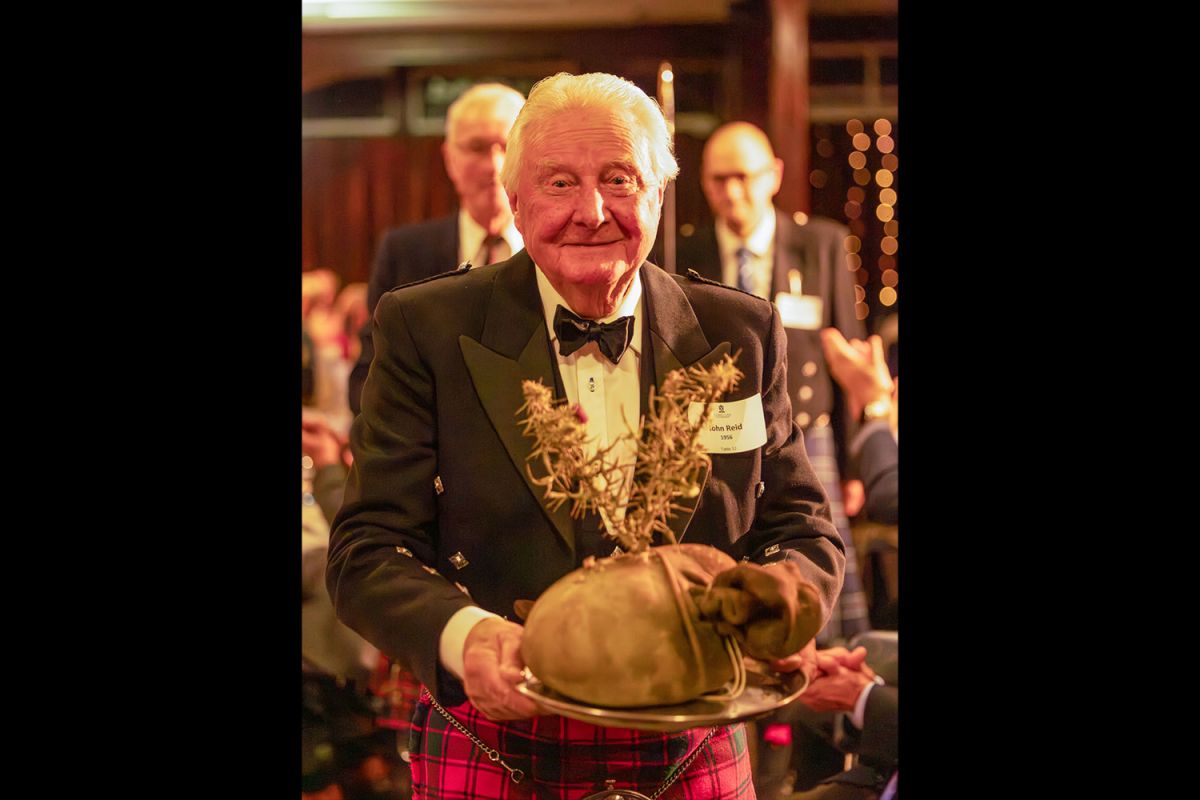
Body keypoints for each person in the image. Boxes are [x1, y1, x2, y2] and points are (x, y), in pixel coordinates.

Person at [327, 71, 847, 800]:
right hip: (493, 737)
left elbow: (801, 528)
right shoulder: (426, 328)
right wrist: (465, 637)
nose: (592, 211)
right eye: (560, 183)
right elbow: (366, 549)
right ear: (515, 201)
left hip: (692, 736)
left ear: (660, 194)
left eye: (619, 179)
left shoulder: (740, 330)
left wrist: (782, 598)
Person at [678, 121, 870, 644]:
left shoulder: (821, 242)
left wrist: (853, 467)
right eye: (718, 179)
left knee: (814, 580)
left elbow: (846, 359)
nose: (731, 191)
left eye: (743, 176)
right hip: (718, 438)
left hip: (809, 438)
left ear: (774, 175)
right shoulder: (685, 250)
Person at [349, 83, 526, 414]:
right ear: (449, 159)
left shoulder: (557, 252)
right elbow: (368, 379)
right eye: (477, 148)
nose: (494, 166)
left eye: (507, 147)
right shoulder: (404, 252)